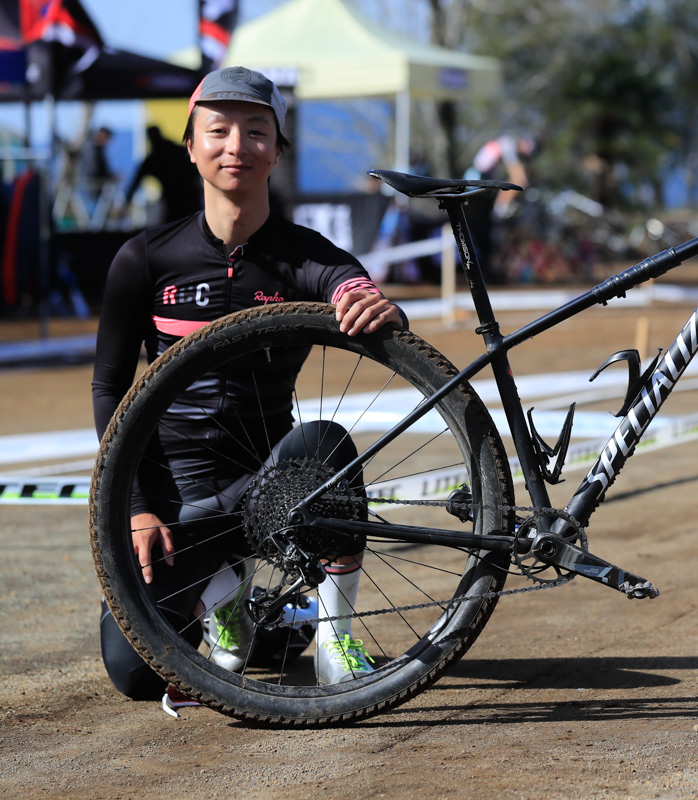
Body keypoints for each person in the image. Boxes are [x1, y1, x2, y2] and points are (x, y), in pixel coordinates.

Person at [92, 66, 404, 703]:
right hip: (173, 505)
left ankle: (333, 643)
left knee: (324, 443)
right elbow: (108, 390)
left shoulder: (302, 253)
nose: (237, 146)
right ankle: (230, 599)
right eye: (219, 130)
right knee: (135, 674)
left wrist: (370, 301)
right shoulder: (145, 258)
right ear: (191, 145)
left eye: (257, 132)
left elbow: (348, 285)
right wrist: (137, 506)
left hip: (265, 489)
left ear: (279, 151)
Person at [463, 134, 537, 282]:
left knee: (484, 233)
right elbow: (519, 177)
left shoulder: (506, 144)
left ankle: (486, 271)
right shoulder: (508, 144)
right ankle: (500, 210)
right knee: (483, 232)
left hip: (477, 186)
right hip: (474, 186)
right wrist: (502, 206)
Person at [125, 126, 204, 223]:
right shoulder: (179, 152)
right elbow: (198, 171)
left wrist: (126, 201)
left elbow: (135, 182)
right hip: (187, 198)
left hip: (176, 200)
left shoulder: (153, 160)